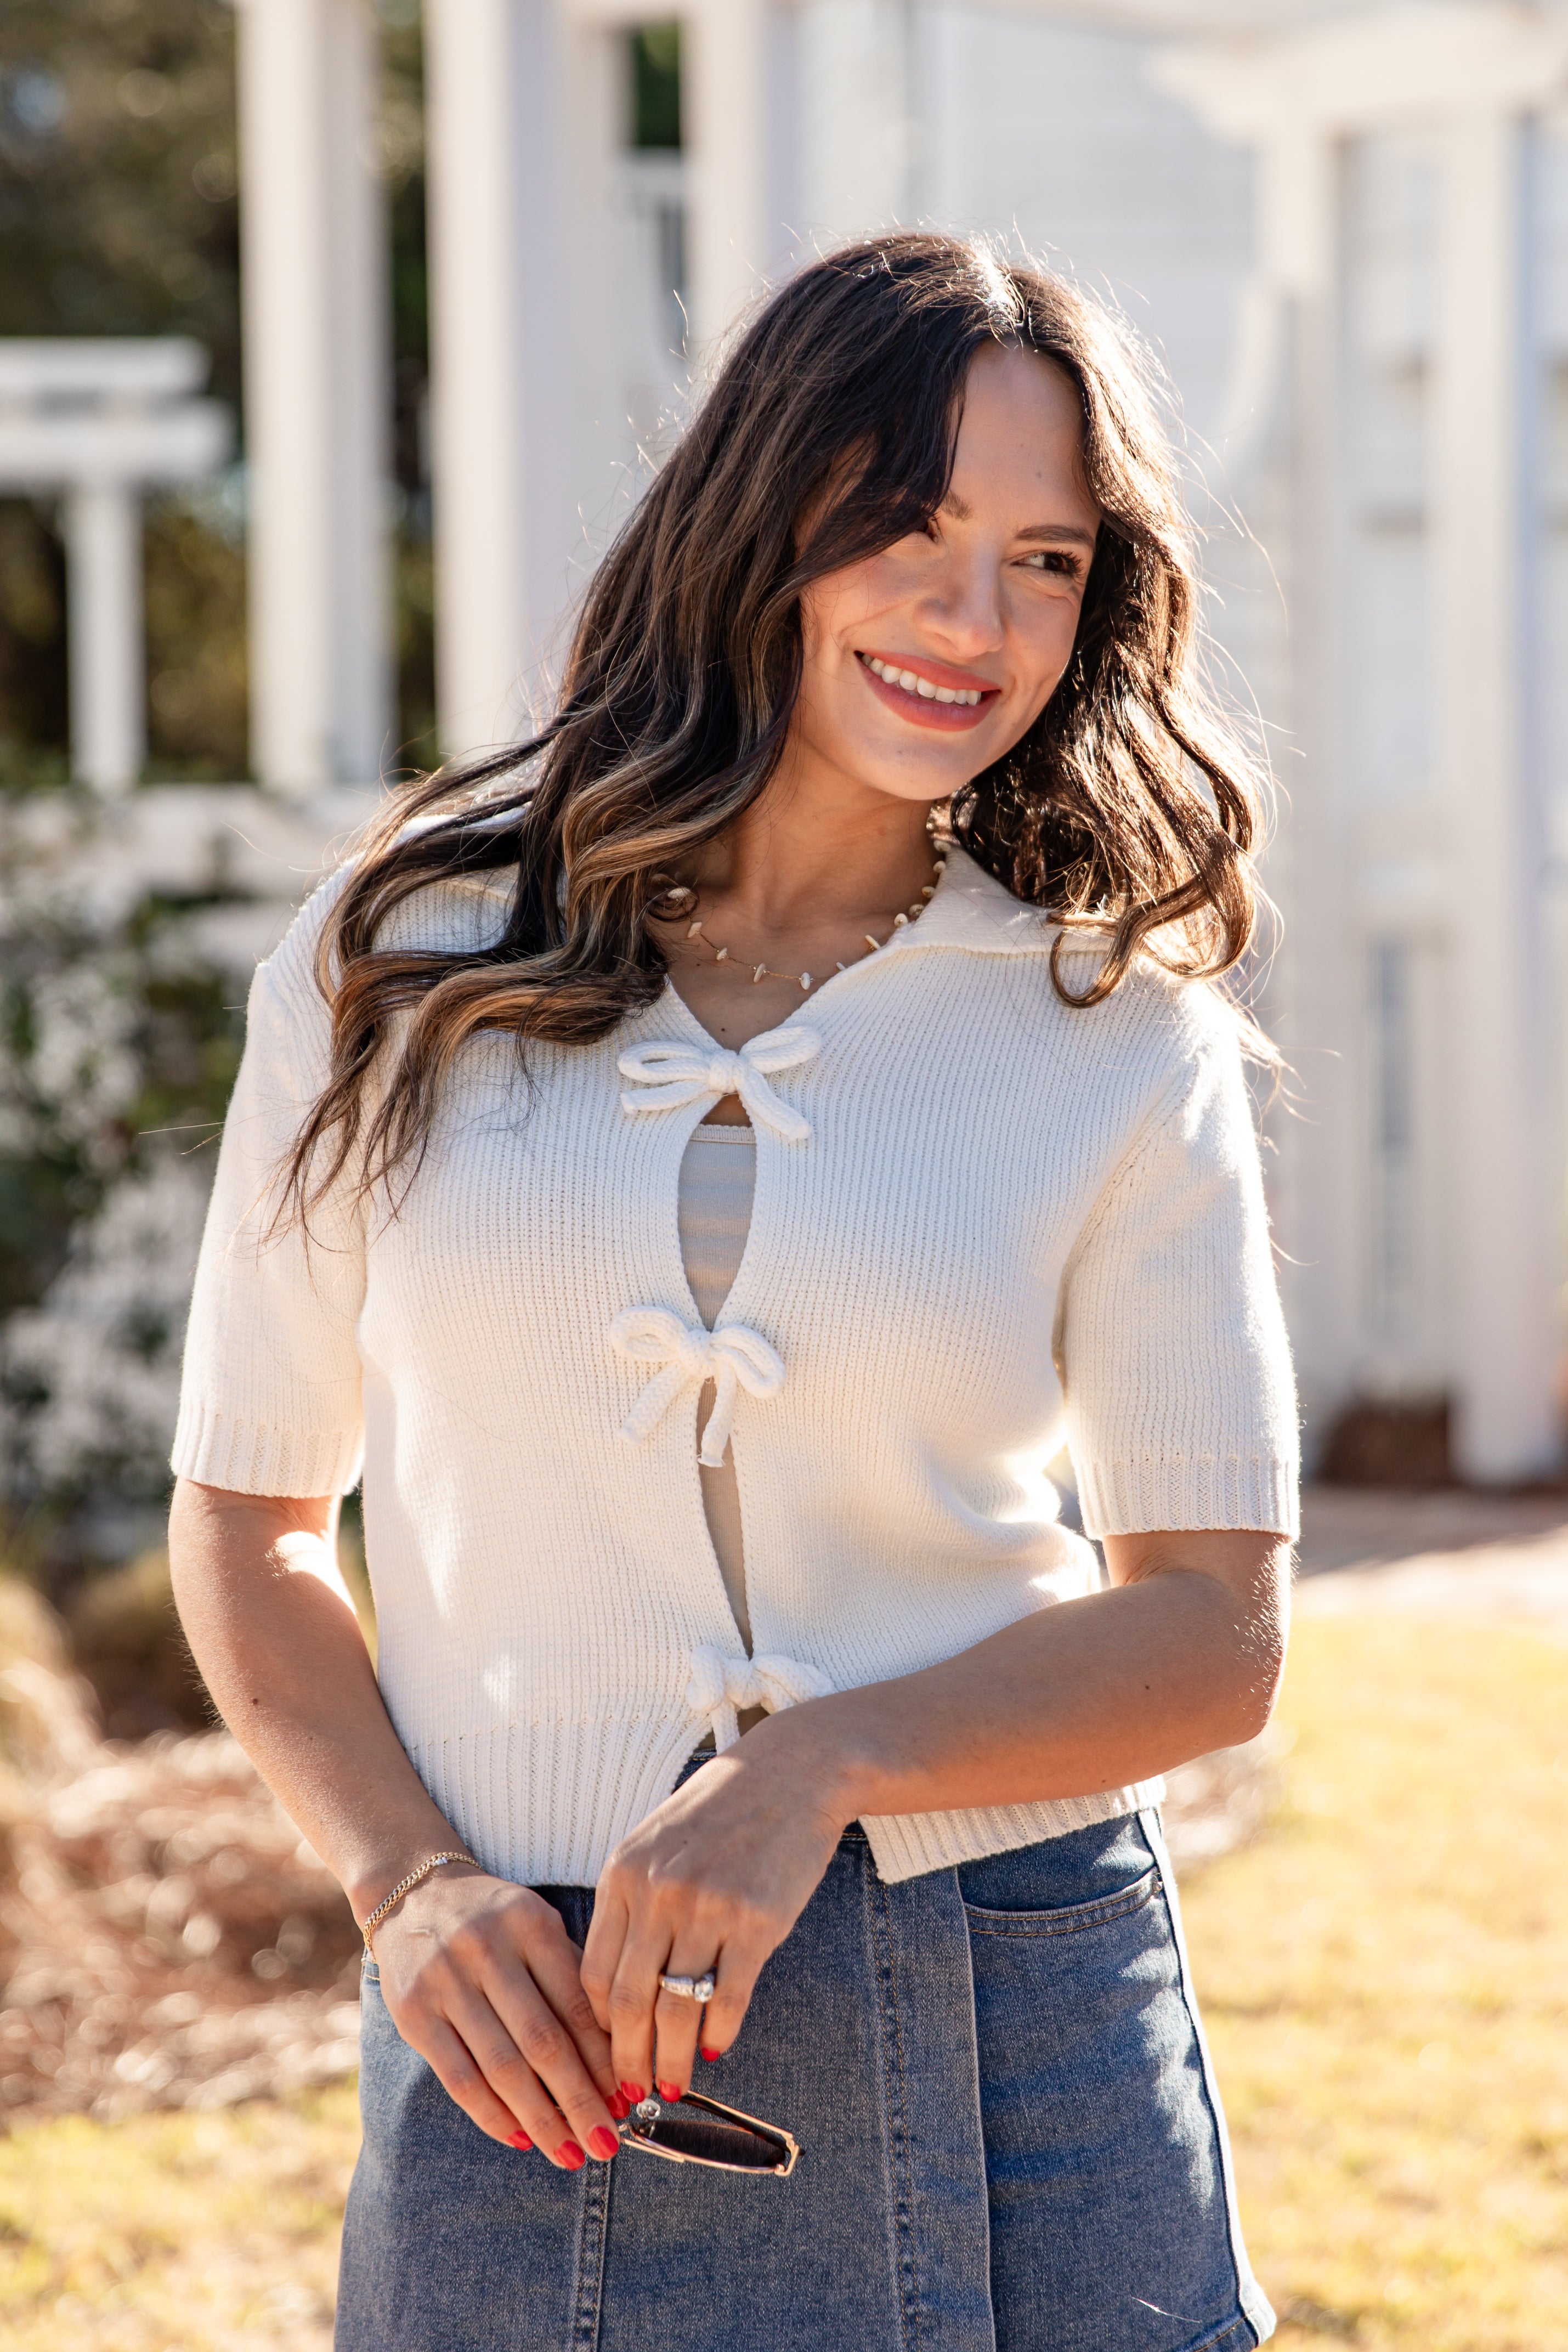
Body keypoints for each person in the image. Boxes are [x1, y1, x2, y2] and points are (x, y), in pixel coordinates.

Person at [168, 233, 1297, 2351]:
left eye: (1046, 561)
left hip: (1010, 1992)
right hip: (513, 2015)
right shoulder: (398, 960)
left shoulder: (1114, 1039)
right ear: (763, 514)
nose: (976, 625)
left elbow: (1212, 1633)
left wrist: (824, 1764)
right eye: (912, 528)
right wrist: (408, 1883)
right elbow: (244, 1516)